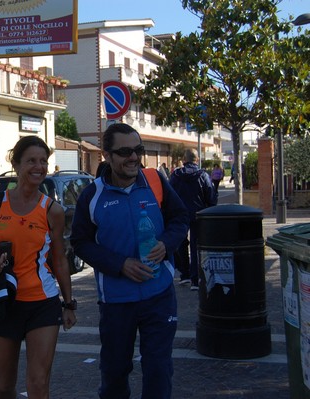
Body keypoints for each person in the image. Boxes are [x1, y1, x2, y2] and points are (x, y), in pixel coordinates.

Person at [70, 123, 188, 399]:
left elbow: (180, 218)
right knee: (114, 373)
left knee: (158, 370)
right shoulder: (92, 195)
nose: (134, 157)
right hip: (116, 302)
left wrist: (167, 243)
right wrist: (120, 264)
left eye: (138, 150)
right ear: (107, 155)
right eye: (124, 151)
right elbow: (80, 242)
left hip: (159, 295)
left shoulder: (156, 181)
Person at [0, 135, 77, 399]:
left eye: (43, 161)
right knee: (4, 387)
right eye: (31, 160)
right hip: (3, 302)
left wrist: (68, 303)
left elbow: (59, 259)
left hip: (42, 303)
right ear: (16, 164)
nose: (39, 167)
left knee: (38, 384)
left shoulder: (51, 210)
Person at [169, 149, 217, 290]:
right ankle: (196, 279)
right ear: (197, 159)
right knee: (197, 245)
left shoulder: (176, 175)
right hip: (198, 215)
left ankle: (185, 275)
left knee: (181, 244)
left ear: (184, 159)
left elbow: (169, 194)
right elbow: (211, 196)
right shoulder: (203, 175)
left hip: (180, 215)